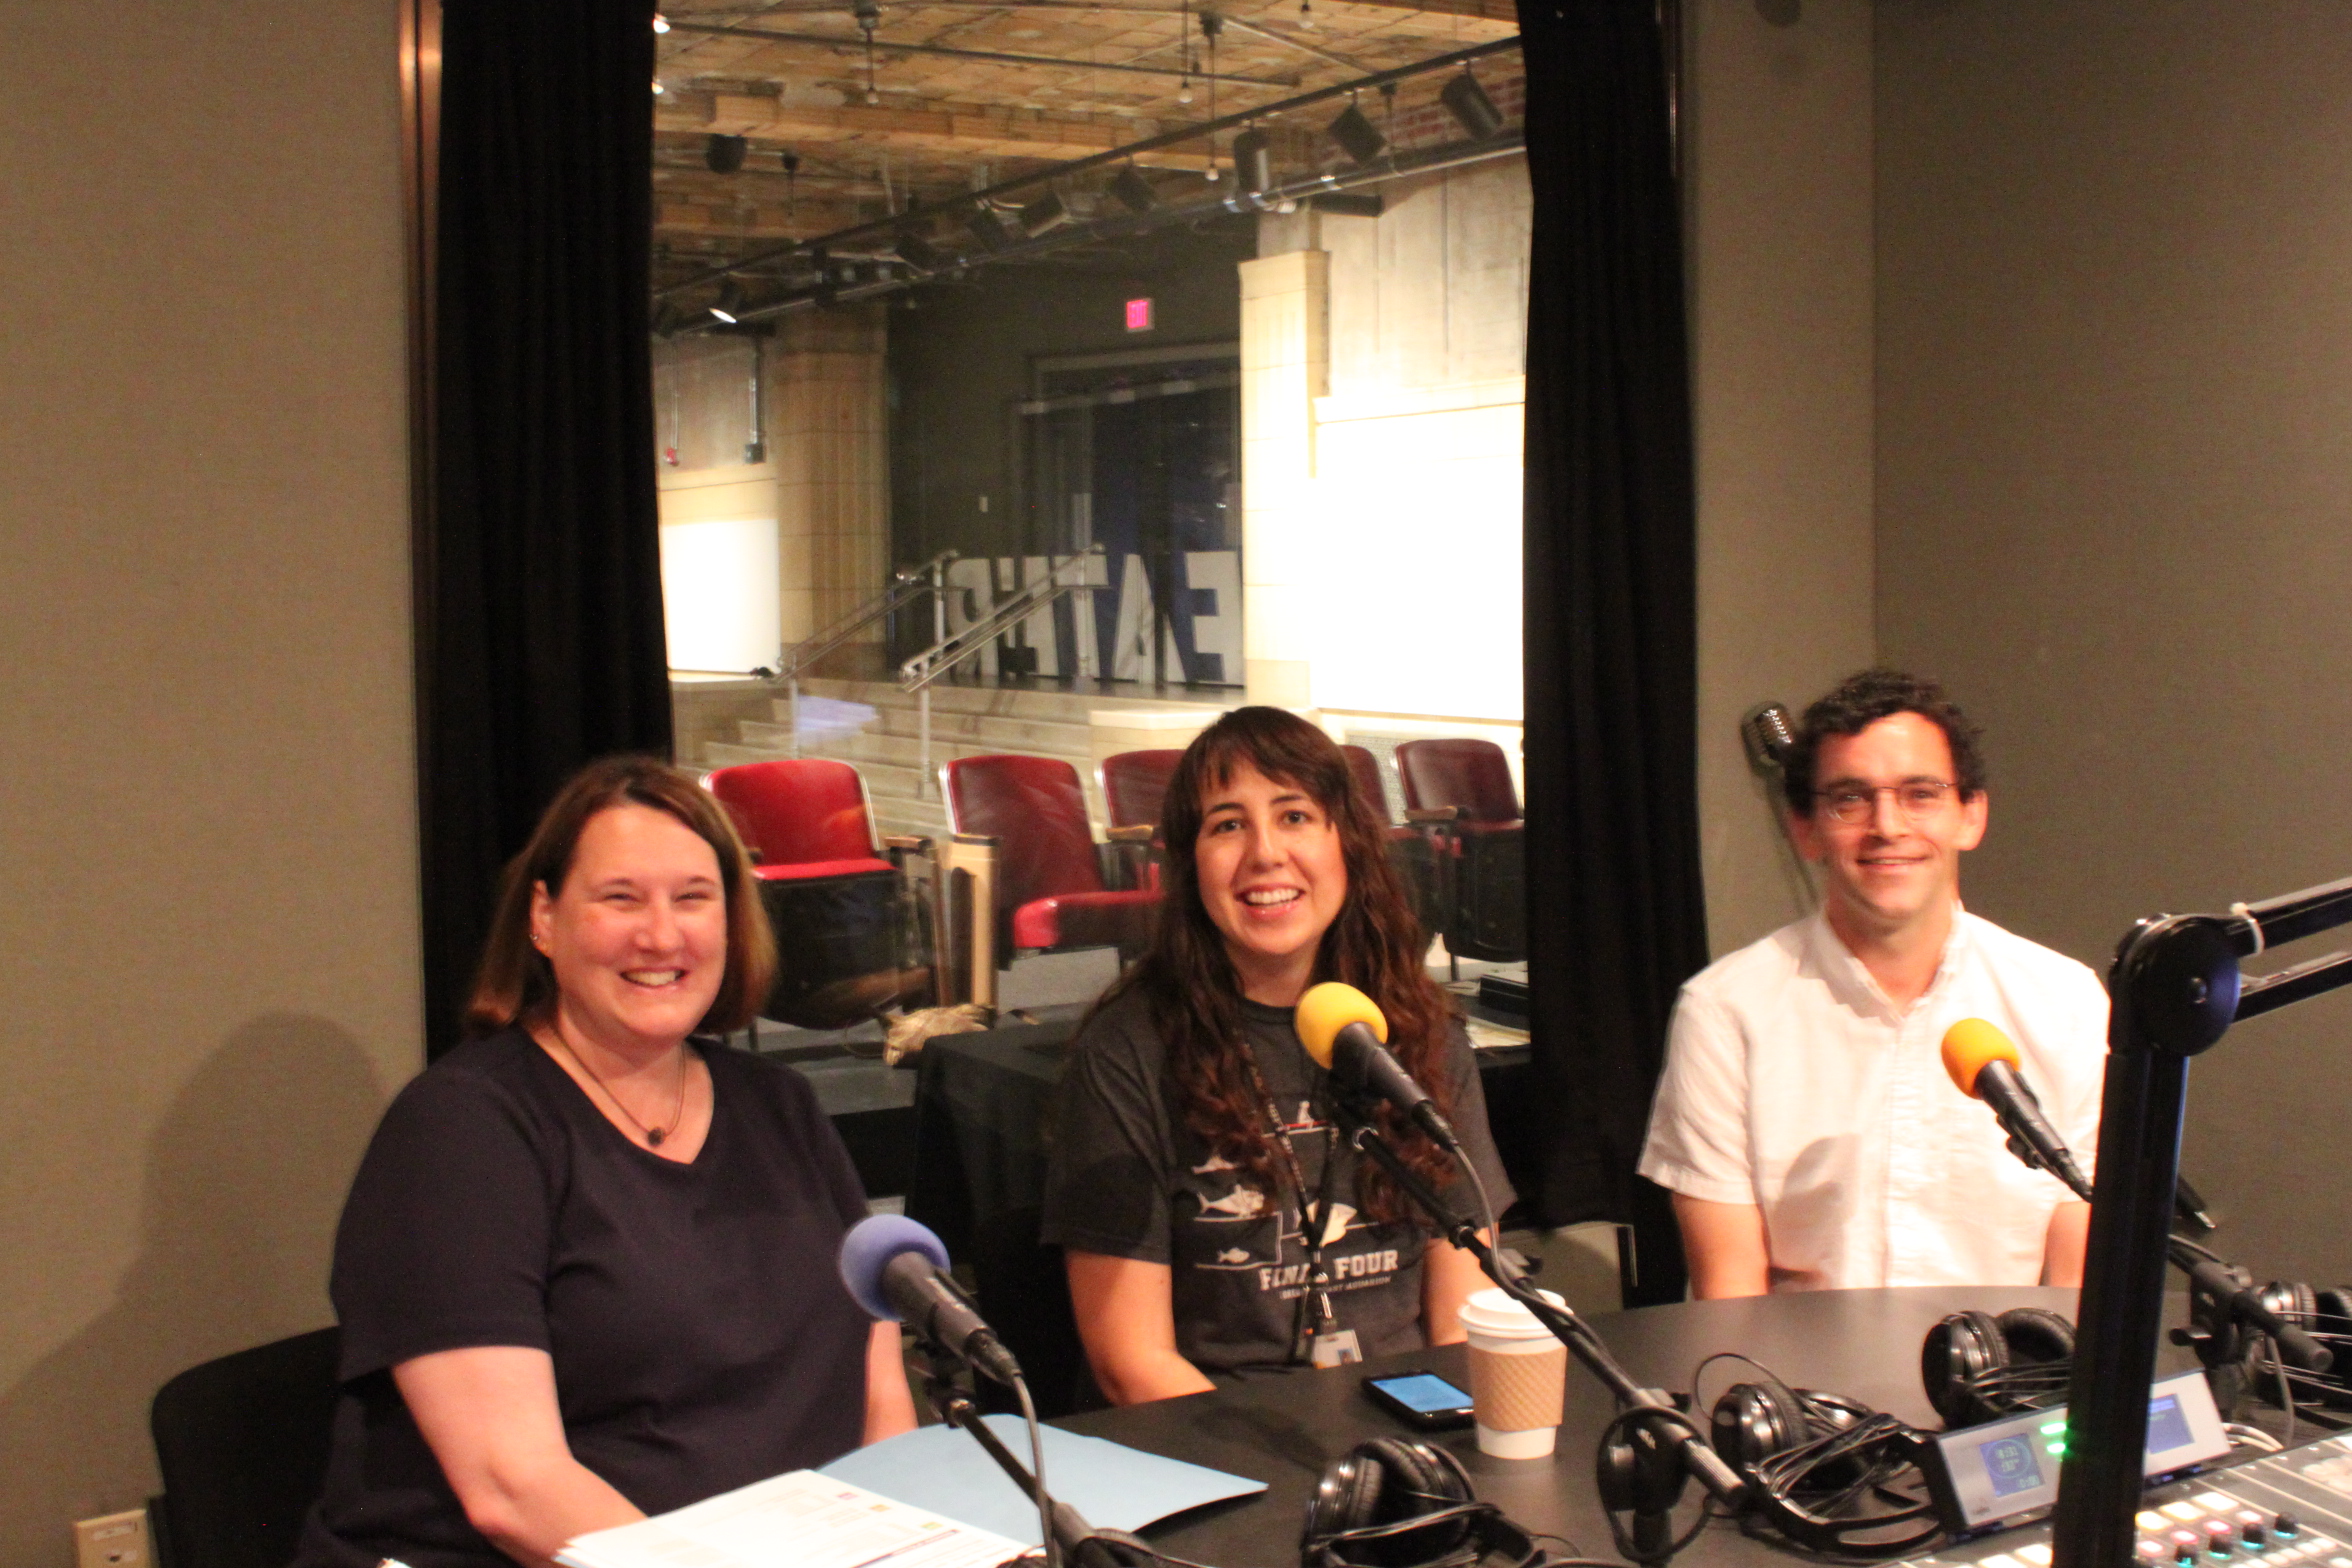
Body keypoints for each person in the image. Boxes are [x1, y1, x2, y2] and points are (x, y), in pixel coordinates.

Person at [297, 758, 916, 1568]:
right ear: (545, 919)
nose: (662, 935)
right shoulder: (462, 1131)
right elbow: (513, 1490)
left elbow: (878, 1388)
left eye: (693, 897)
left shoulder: (780, 1106)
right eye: (620, 897)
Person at [1041, 707, 1514, 1403]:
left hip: (1408, 1434)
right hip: (1217, 1447)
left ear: (1345, 843)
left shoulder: (1420, 1031)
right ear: (1188, 862)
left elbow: (1462, 1315)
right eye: (1228, 825)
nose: (1265, 853)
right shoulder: (1129, 1049)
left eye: (1295, 816)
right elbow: (1131, 1363)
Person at [1639, 669, 2106, 1297]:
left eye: (1921, 794)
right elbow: (1729, 1292)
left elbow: (2080, 1284)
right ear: (1805, 829)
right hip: (1801, 1387)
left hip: (2010, 1383)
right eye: (1851, 799)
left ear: (1971, 816)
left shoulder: (2067, 1002)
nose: (1888, 826)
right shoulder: (1725, 1011)